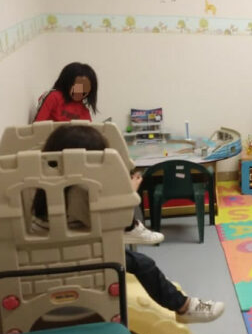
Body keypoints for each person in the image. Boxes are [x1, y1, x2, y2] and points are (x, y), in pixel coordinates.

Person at [30, 125, 224, 323]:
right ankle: (183, 307)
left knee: (138, 257)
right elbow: (110, 223)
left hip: (54, 249)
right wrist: (130, 193)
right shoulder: (76, 191)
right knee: (144, 264)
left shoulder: (46, 180)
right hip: (76, 254)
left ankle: (138, 232)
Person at [32, 63, 161, 246]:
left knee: (115, 174)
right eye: (78, 88)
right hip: (56, 155)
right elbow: (37, 128)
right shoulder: (54, 96)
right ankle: (128, 224)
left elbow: (88, 137)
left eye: (87, 90)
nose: (82, 93)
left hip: (81, 159)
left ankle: (130, 223)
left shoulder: (83, 110)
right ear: (67, 81)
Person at [33, 62, 99, 122]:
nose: (79, 93)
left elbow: (88, 132)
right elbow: (38, 125)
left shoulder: (84, 111)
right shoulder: (53, 96)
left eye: (84, 91)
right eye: (78, 88)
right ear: (68, 82)